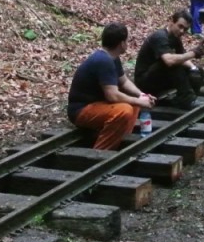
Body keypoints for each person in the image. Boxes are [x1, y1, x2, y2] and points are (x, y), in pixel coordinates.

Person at [67, 22, 156, 150]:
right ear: (121, 43)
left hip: (97, 104)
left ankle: (122, 139)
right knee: (124, 111)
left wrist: (141, 96)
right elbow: (112, 96)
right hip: (81, 110)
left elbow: (124, 82)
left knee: (134, 104)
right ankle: (101, 151)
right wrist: (139, 100)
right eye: (127, 41)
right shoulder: (104, 61)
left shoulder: (113, 58)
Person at [134, 9, 204, 109]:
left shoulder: (176, 38)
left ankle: (189, 98)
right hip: (145, 82)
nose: (182, 31)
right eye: (180, 26)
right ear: (172, 21)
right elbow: (169, 60)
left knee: (196, 69)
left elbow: (183, 57)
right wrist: (193, 53)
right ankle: (186, 99)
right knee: (172, 63)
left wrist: (194, 69)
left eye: (185, 29)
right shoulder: (160, 36)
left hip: (159, 78)